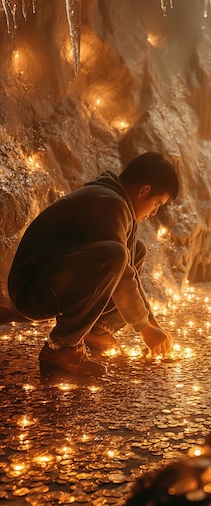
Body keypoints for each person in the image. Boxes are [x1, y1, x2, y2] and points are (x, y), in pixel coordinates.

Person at [7, 152, 179, 377]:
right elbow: (123, 274)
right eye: (156, 204)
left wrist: (153, 324)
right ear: (144, 190)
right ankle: (62, 348)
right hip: (32, 293)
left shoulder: (118, 204)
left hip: (53, 283)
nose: (155, 212)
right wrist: (145, 330)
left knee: (135, 251)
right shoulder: (108, 203)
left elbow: (130, 273)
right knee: (116, 254)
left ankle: (96, 330)